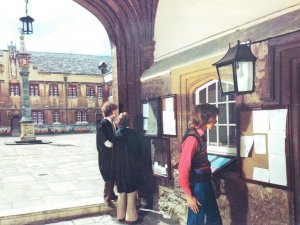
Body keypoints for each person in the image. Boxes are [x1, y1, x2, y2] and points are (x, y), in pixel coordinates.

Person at [178, 103, 222, 225]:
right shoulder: (192, 139)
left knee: (213, 218)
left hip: (204, 182)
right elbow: (183, 168)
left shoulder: (200, 135)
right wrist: (189, 196)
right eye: (214, 117)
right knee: (197, 220)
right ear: (205, 118)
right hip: (198, 186)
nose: (216, 120)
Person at [114, 112, 143, 224]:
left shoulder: (116, 134)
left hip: (119, 168)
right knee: (131, 193)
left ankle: (120, 216)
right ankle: (131, 217)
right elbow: (139, 152)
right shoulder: (133, 133)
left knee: (121, 192)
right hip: (131, 167)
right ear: (128, 122)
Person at [96, 101, 118, 206]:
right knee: (108, 176)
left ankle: (112, 194)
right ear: (111, 111)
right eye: (115, 110)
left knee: (112, 174)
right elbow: (104, 140)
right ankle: (107, 198)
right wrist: (115, 145)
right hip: (105, 155)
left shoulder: (112, 122)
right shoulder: (103, 123)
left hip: (111, 154)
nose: (116, 112)